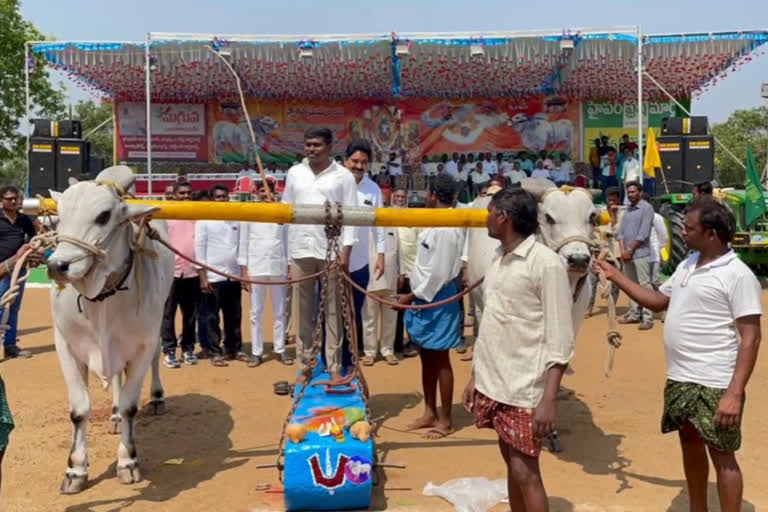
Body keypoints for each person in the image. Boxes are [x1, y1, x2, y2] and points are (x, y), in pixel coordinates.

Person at [594, 199, 761, 512]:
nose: (683, 233)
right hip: (680, 378)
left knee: (722, 453)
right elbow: (658, 301)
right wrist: (615, 276)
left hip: (715, 382)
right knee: (689, 443)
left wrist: (734, 393)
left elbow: (751, 338)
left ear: (710, 234)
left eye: (690, 228)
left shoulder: (738, 275)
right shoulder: (687, 264)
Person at [463, 188, 574, 512]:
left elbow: (560, 340)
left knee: (526, 472)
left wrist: (548, 401)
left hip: (525, 389)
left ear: (503, 218)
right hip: (496, 383)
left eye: (489, 212)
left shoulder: (546, 265)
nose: (486, 218)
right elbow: (493, 324)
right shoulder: (498, 258)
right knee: (512, 465)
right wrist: (476, 377)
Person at [282, 127, 358, 383]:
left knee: (333, 313)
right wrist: (287, 256)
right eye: (308, 144)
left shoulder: (343, 177)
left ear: (329, 147)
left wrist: (346, 251)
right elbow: (286, 212)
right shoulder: (295, 173)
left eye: (316, 145)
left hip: (331, 251)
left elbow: (352, 216)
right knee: (303, 313)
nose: (311, 149)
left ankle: (334, 367)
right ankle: (304, 367)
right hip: (300, 251)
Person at [397, 174, 465, 439]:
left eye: (428, 192)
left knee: (440, 358)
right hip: (421, 297)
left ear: (433, 195)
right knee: (426, 356)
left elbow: (437, 274)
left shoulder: (447, 228)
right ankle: (429, 411)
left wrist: (410, 297)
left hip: (436, 298)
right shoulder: (433, 223)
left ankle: (445, 420)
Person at [238, 179, 292, 367]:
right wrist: (244, 271)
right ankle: (256, 351)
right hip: (256, 267)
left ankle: (280, 349)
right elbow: (243, 244)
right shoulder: (250, 213)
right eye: (262, 190)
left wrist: (289, 266)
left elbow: (288, 242)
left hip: (278, 266)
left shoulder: (281, 213)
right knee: (256, 312)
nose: (265, 194)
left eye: (269, 191)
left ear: (275, 192)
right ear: (256, 193)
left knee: (279, 311)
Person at [196, 184, 245, 366]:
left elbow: (239, 247)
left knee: (234, 315)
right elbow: (199, 250)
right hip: (212, 277)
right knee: (211, 316)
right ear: (212, 199)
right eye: (218, 197)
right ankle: (215, 352)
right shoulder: (204, 221)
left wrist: (242, 274)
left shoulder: (235, 220)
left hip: (233, 275)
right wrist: (203, 276)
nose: (222, 199)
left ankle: (234, 349)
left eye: (225, 196)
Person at [346, 140, 386, 362]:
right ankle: (328, 359)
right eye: (355, 161)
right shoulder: (335, 183)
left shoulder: (373, 189)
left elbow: (379, 225)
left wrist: (380, 255)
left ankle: (349, 357)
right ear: (346, 160)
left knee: (355, 312)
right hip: (332, 261)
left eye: (363, 162)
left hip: (360, 263)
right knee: (329, 314)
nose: (358, 166)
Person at [161, 181, 202, 368]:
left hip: (192, 272)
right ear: (175, 195)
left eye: (189, 192)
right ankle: (169, 350)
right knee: (168, 313)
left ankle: (188, 348)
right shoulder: (166, 216)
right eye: (182, 193)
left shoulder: (196, 215)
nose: (186, 196)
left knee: (190, 314)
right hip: (171, 273)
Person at [459, 184, 502, 362]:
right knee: (477, 311)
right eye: (486, 194)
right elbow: (469, 241)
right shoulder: (475, 211)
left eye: (494, 195)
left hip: (499, 271)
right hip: (478, 271)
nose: (488, 199)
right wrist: (466, 266)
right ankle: (479, 350)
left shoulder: (506, 215)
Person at [0, 185, 39, 359]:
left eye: (16, 198)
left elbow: (35, 236)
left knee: (13, 308)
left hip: (18, 271)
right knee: (1, 307)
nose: (14, 201)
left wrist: (34, 251)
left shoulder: (24, 220)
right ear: (1, 201)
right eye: (9, 198)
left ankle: (9, 346)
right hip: (2, 270)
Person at [362, 213, 400, 366]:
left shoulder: (392, 225)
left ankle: (387, 350)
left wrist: (401, 272)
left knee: (390, 318)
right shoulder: (365, 228)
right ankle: (369, 352)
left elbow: (399, 251)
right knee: (369, 318)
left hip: (391, 278)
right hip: (370, 278)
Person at [617, 181, 655, 330]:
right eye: (629, 192)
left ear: (640, 192)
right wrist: (622, 251)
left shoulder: (647, 208)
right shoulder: (628, 210)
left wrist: (630, 250)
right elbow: (620, 234)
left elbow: (643, 234)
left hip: (640, 253)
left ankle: (647, 317)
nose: (630, 195)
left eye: (633, 192)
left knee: (645, 285)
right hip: (627, 255)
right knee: (631, 286)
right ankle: (633, 314)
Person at [392, 188, 420, 359]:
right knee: (396, 311)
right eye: (398, 196)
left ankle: (413, 342)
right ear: (393, 198)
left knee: (413, 311)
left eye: (403, 196)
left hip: (412, 272)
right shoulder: (387, 216)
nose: (400, 199)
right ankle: (395, 345)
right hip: (393, 271)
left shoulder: (412, 217)